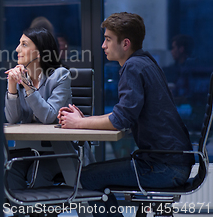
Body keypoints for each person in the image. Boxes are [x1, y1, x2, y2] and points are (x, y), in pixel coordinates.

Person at [58, 12, 194, 217]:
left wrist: (78, 124)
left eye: (108, 39)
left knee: (86, 178)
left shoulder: (132, 67)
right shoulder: (146, 62)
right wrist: (83, 120)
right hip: (172, 163)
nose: (103, 45)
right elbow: (121, 114)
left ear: (125, 43)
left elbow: (120, 120)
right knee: (92, 174)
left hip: (163, 167)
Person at [5, 27, 71, 190]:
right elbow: (12, 119)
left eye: (24, 44)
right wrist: (12, 86)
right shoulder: (22, 76)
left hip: (57, 150)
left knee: (38, 174)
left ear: (40, 52)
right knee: (9, 172)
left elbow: (48, 116)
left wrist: (28, 87)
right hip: (28, 148)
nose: (17, 49)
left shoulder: (61, 75)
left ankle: (40, 214)